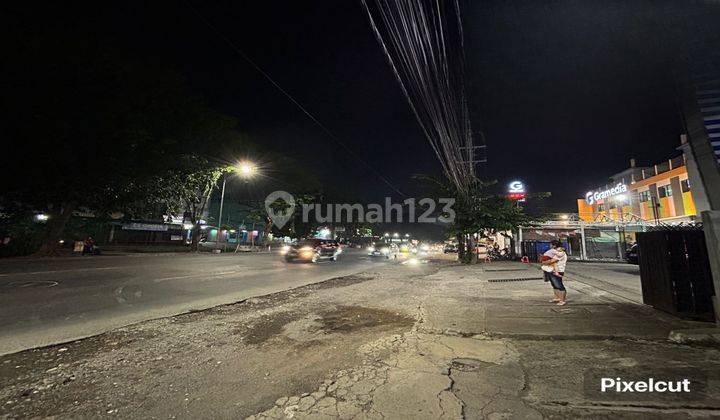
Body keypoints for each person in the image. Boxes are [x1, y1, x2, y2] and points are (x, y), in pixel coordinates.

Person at [541, 240, 568, 305]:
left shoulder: (561, 253)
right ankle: (557, 297)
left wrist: (544, 262)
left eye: (551, 244)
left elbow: (552, 261)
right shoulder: (556, 252)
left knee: (559, 285)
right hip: (552, 270)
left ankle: (562, 300)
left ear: (554, 246)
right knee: (554, 284)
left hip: (559, 270)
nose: (550, 246)